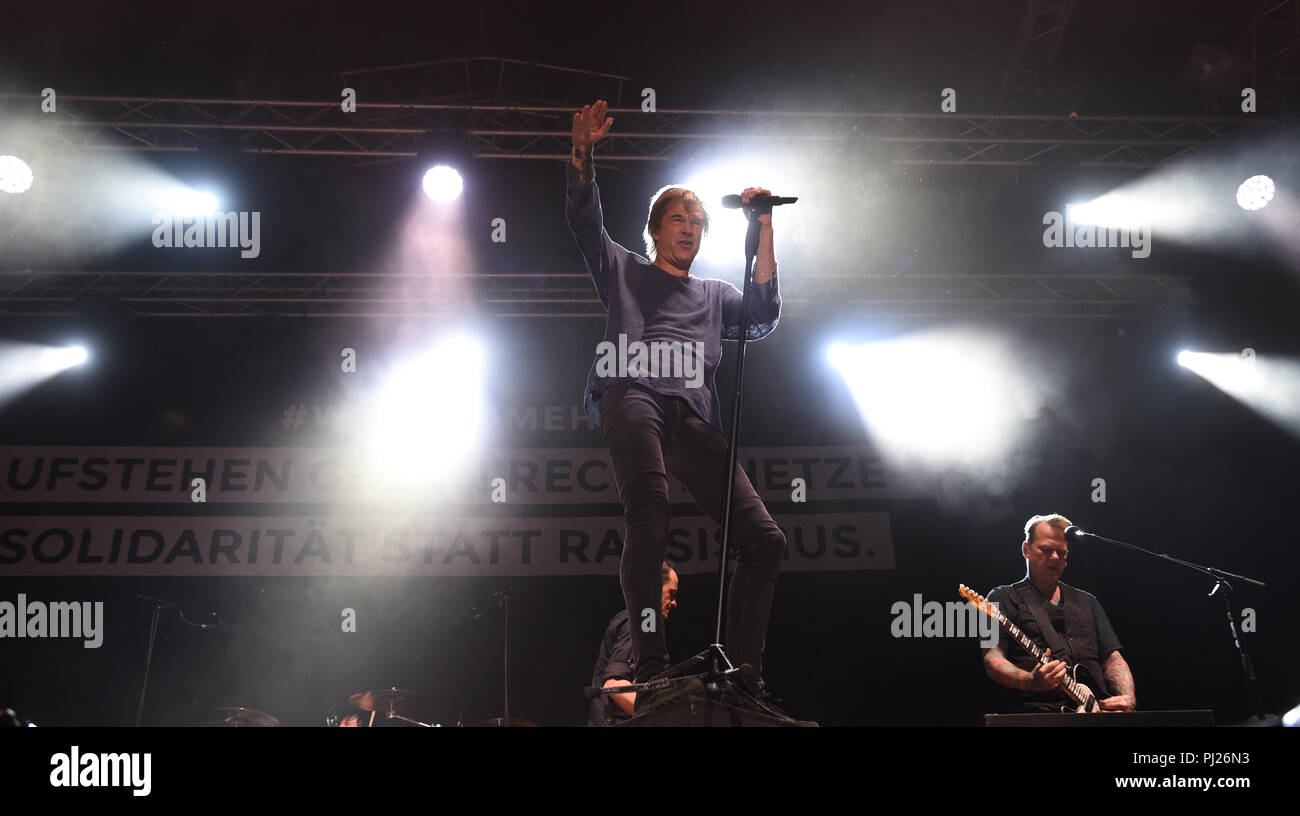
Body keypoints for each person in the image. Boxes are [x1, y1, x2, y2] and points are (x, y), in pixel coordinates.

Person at [566, 99, 787, 711]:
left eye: (698, 220)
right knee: (652, 507)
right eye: (678, 217)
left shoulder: (716, 294)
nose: (690, 226)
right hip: (632, 391)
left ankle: (746, 675)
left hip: (692, 417)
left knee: (765, 540)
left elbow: (764, 314)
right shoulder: (625, 271)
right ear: (655, 230)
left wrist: (764, 224)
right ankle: (650, 661)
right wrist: (582, 154)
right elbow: (584, 224)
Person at [982, 513, 1137, 713]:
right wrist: (1031, 681)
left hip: (1098, 713)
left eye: (1061, 552)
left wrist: (1128, 697)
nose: (1054, 557)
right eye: (1046, 550)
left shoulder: (1088, 601)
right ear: (1026, 549)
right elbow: (992, 658)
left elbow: (1112, 658)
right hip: (1040, 714)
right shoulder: (1001, 597)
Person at [588, 561, 679, 726]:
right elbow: (614, 684)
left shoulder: (647, 621)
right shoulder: (643, 619)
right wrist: (662, 720)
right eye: (671, 594)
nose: (674, 603)